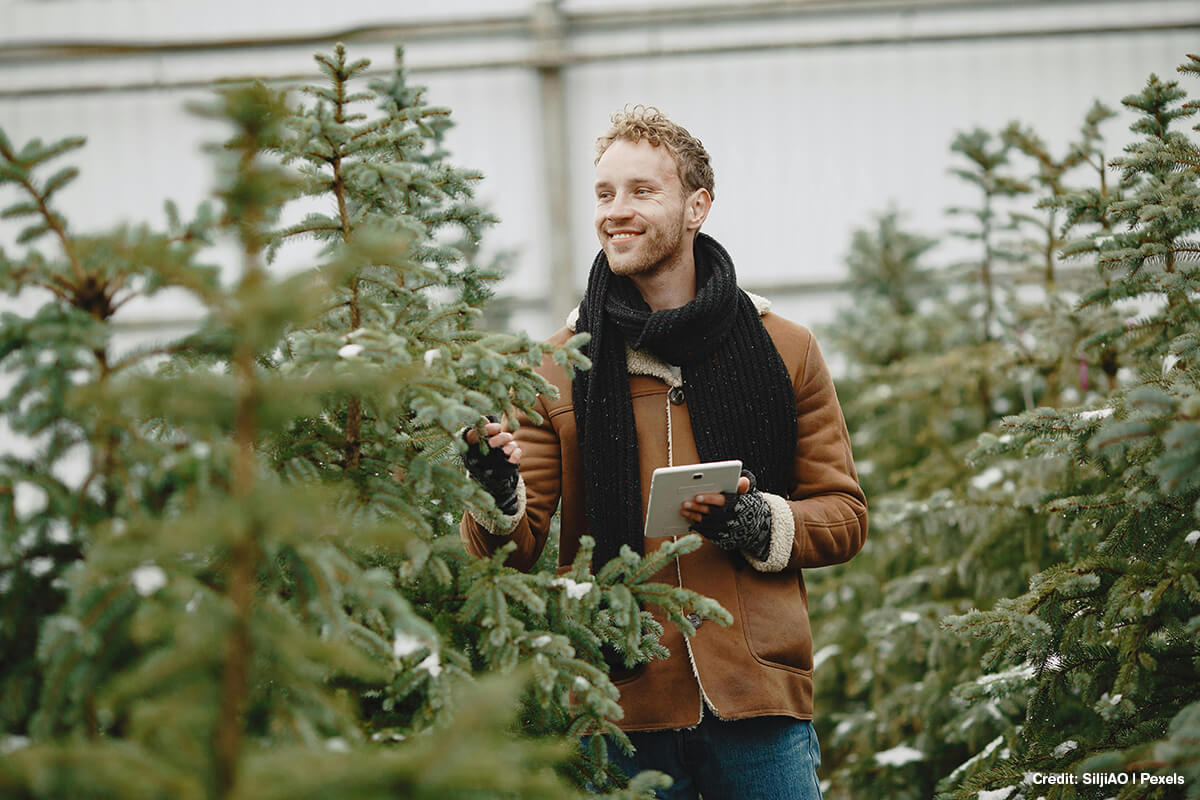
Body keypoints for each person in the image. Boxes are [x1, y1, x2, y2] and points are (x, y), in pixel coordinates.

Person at [459, 105, 867, 800]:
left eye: (642, 191)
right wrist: (497, 494)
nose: (616, 211)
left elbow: (845, 514)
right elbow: (508, 553)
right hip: (620, 708)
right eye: (604, 193)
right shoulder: (559, 367)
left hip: (759, 698)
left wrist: (762, 524)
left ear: (696, 206)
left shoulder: (784, 347)